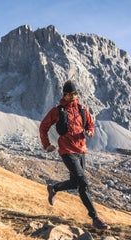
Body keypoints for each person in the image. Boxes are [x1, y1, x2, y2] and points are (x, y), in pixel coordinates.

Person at [39, 80, 110, 230]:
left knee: (75, 183)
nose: (72, 96)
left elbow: (90, 124)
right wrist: (47, 145)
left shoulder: (82, 109)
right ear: (64, 95)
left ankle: (54, 188)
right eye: (69, 94)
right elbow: (43, 127)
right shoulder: (57, 111)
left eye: (74, 94)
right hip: (66, 151)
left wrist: (90, 131)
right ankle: (95, 218)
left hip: (81, 150)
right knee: (83, 182)